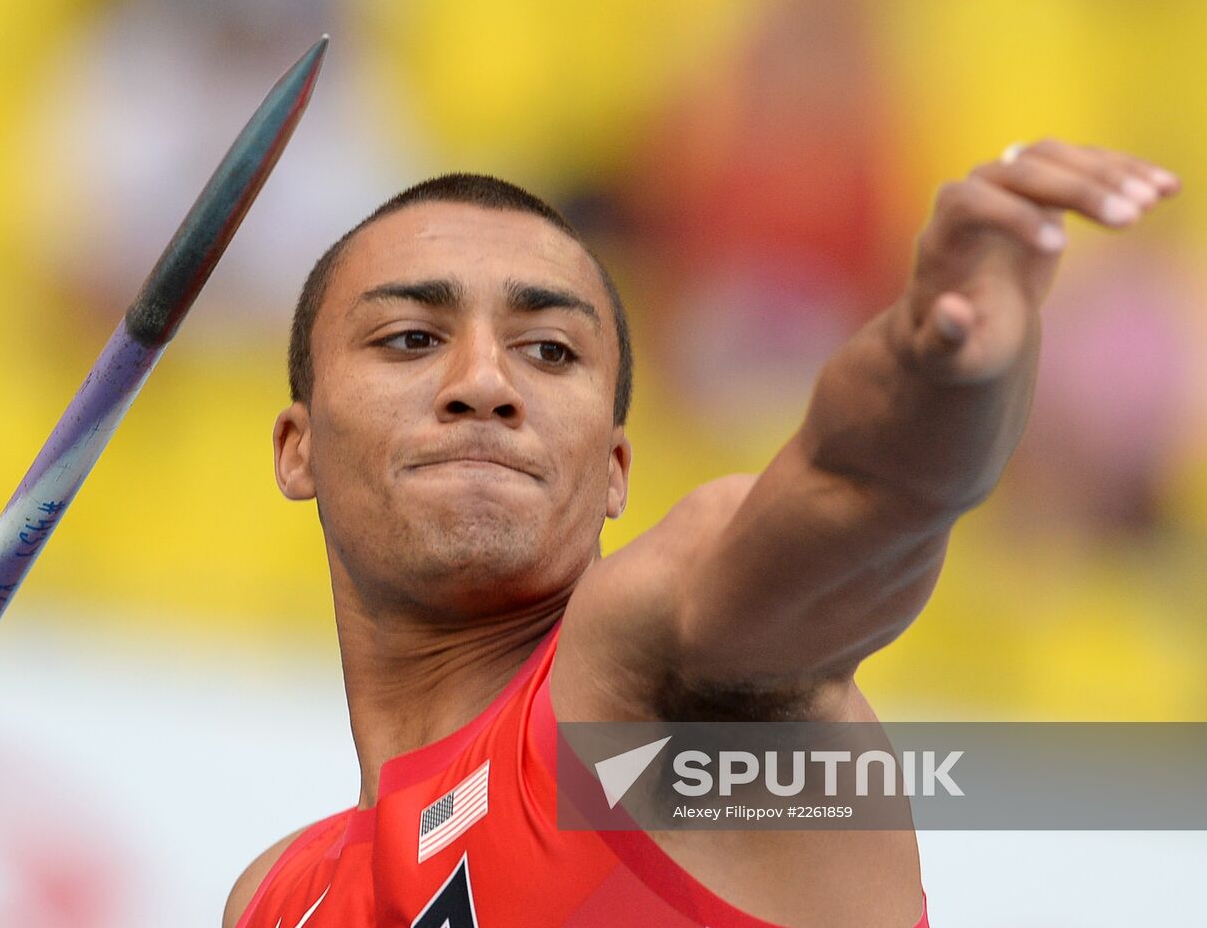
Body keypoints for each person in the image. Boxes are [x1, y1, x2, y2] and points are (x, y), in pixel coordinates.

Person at [223, 141, 1179, 927]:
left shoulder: (651, 694)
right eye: (411, 339)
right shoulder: (276, 900)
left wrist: (942, 365)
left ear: (615, 471)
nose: (485, 382)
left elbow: (860, 491)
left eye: (550, 351)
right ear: (297, 448)